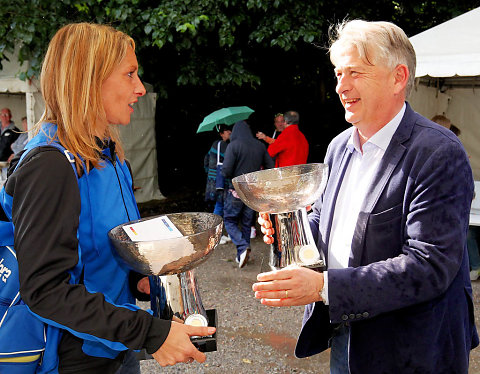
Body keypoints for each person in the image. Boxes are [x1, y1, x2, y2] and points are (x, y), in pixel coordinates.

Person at [252, 19, 478, 373]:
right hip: (347, 338)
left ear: (398, 78)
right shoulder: (339, 146)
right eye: (339, 72)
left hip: (413, 350)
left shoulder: (438, 152)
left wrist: (324, 287)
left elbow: (429, 266)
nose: (342, 86)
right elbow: (323, 221)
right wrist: (290, 231)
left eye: (355, 72)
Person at [4, 23, 214, 374]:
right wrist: (151, 333)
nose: (140, 88)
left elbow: (103, 251)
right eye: (129, 74)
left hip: (116, 349)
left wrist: (140, 278)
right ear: (88, 80)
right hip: (73, 360)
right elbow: (45, 291)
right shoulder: (50, 165)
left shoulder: (111, 157)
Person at [222, 120, 274, 268]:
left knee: (229, 220)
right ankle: (241, 255)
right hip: (253, 193)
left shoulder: (233, 146)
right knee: (246, 224)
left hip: (236, 192)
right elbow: (270, 166)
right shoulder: (259, 145)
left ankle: (241, 246)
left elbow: (226, 171)